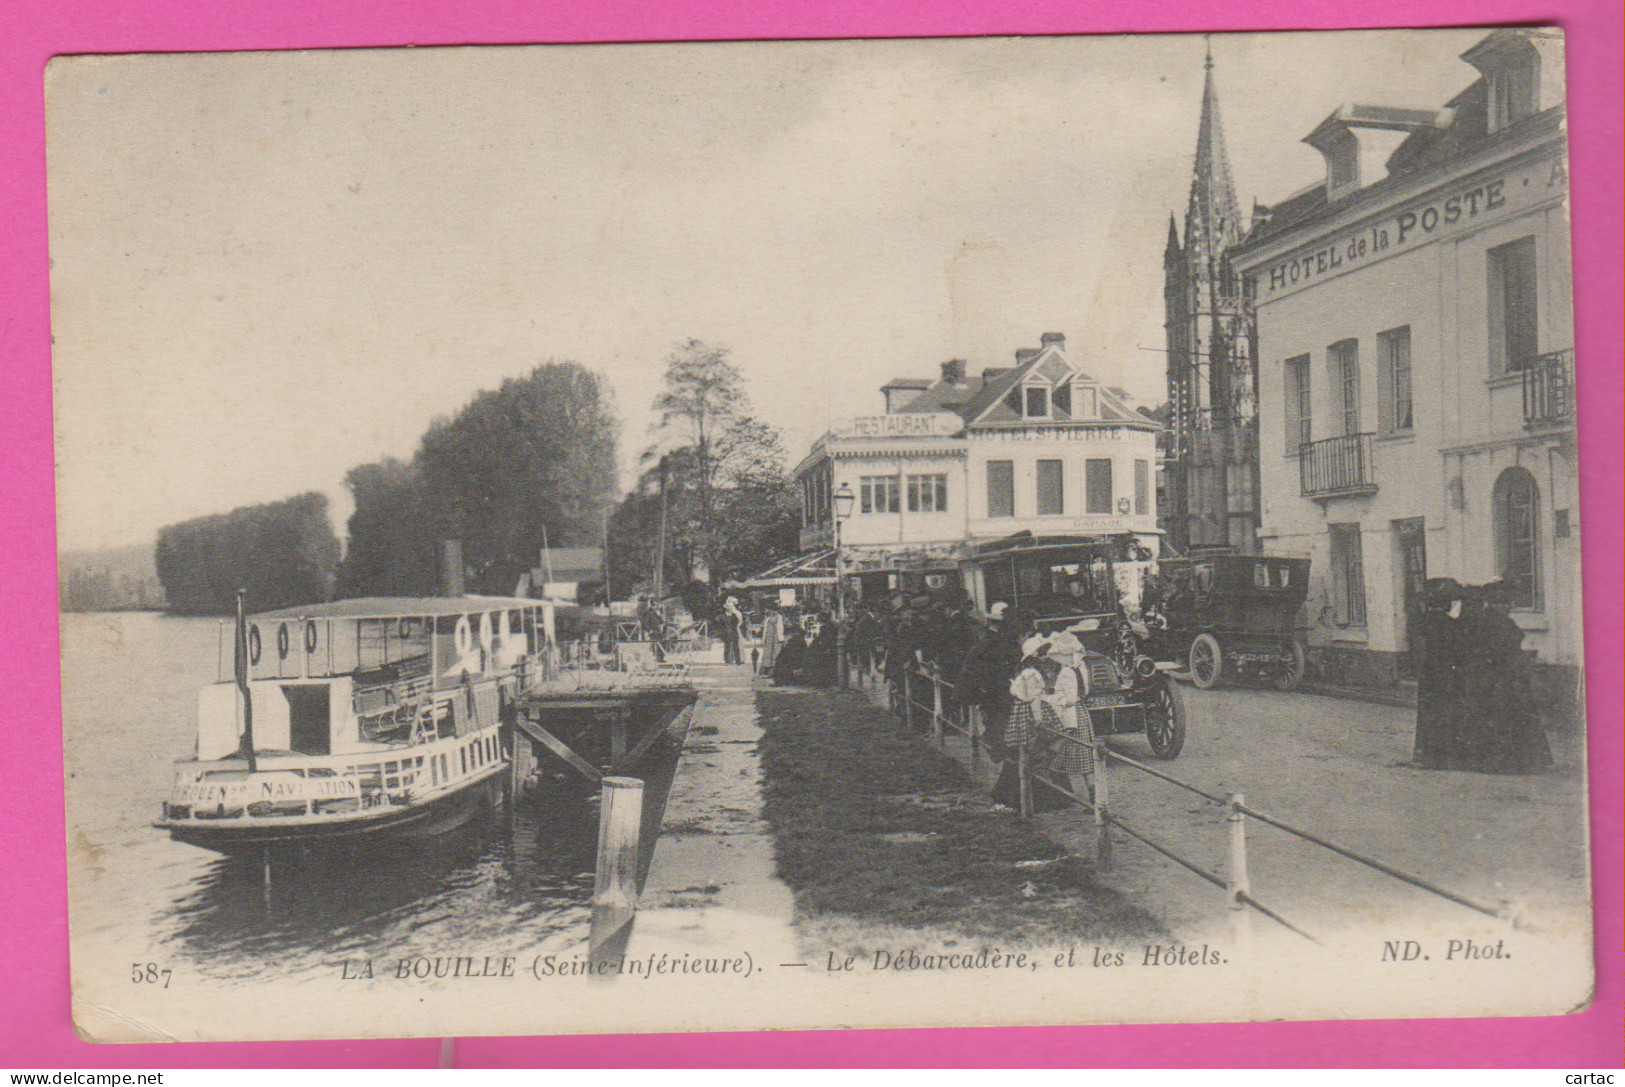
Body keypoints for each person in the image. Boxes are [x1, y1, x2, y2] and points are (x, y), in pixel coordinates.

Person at [1412, 577, 1465, 769]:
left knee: (1427, 712)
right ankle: (1442, 754)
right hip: (1445, 673)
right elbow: (1455, 650)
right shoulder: (1449, 624)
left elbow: (1419, 649)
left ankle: (1424, 751)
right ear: (1445, 603)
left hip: (1428, 673)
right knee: (1445, 711)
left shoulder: (1422, 622)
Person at [771, 618, 808, 685]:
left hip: (793, 663)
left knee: (782, 661)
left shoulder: (794, 642)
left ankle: (782, 680)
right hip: (794, 662)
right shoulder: (800, 641)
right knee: (782, 661)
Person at [720, 595, 744, 665]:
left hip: (734, 632)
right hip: (726, 633)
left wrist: (735, 628)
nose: (729, 609)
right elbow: (721, 625)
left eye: (730, 608)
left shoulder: (734, 615)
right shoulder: (722, 616)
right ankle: (727, 661)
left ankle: (738, 660)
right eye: (728, 608)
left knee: (736, 647)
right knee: (727, 647)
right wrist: (723, 632)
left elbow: (738, 623)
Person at [759, 606, 783, 676]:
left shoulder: (780, 617)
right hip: (769, 638)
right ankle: (766, 670)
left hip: (777, 638)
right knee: (767, 653)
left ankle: (775, 671)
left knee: (776, 652)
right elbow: (765, 629)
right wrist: (763, 639)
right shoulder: (767, 619)